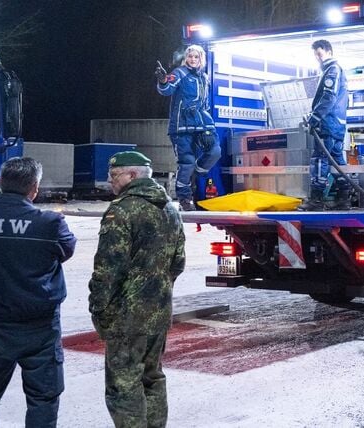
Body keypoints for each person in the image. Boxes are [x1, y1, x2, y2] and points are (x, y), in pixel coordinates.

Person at [0, 157, 77, 427]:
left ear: (0, 183)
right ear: (34, 188)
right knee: (42, 400)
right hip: (39, 329)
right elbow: (66, 250)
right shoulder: (49, 223)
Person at [89, 151, 185, 427]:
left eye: (115, 175)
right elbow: (177, 262)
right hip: (158, 311)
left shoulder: (122, 210)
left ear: (133, 175)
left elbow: (108, 269)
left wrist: (98, 307)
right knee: (152, 377)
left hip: (126, 316)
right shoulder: (169, 209)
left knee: (124, 386)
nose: (110, 181)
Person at [156, 44, 220, 211]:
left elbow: (204, 104)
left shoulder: (204, 78)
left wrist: (207, 125)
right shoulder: (180, 73)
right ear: (186, 58)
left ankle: (195, 174)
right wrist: (163, 81)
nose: (192, 59)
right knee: (187, 162)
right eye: (190, 56)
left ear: (201, 59)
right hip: (180, 127)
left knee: (215, 151)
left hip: (200, 124)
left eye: (196, 56)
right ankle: (184, 198)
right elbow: (167, 89)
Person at [298, 39, 350, 211]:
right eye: (316, 55)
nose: (318, 58)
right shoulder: (336, 70)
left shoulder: (332, 70)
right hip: (337, 125)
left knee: (320, 160)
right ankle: (344, 197)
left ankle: (316, 200)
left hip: (328, 125)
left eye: (319, 54)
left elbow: (328, 97)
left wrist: (314, 118)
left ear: (329, 51)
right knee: (337, 161)